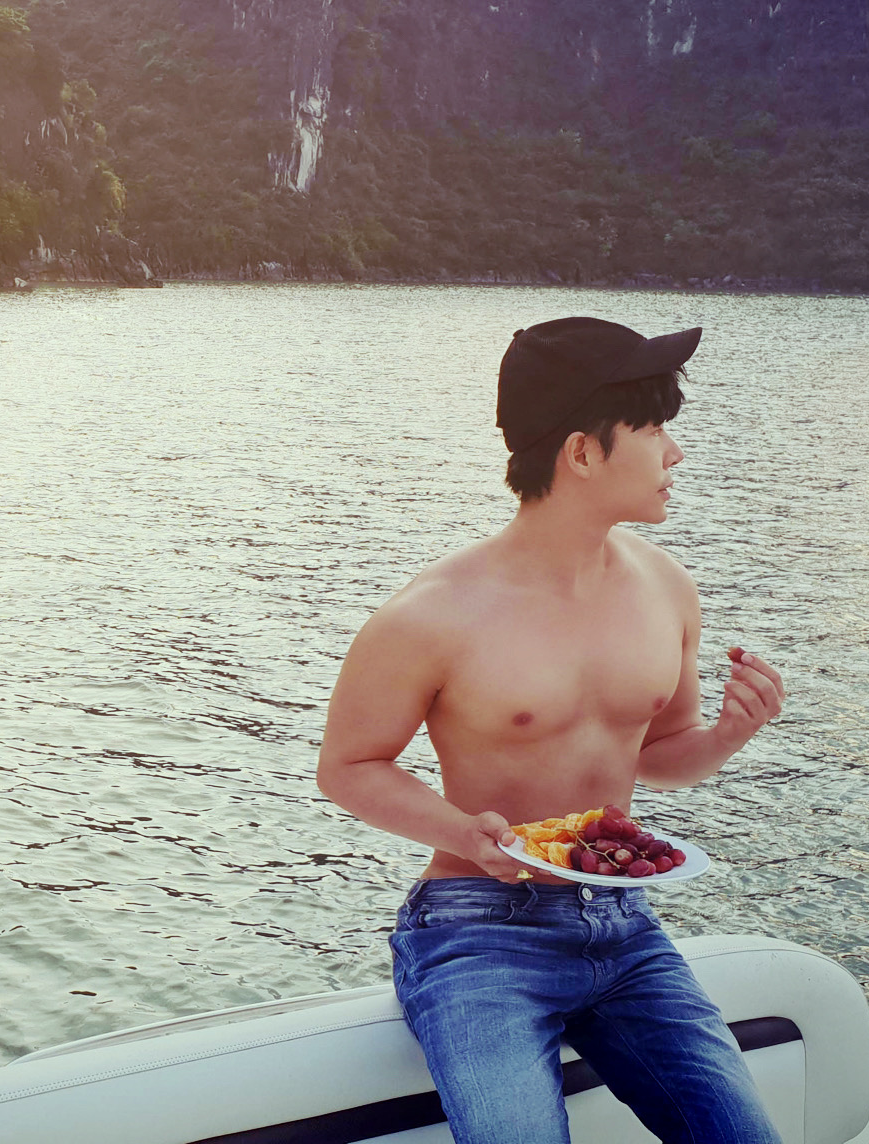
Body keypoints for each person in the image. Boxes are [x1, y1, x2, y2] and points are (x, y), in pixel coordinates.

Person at [316, 317, 787, 1144]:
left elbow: (661, 754)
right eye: (654, 429)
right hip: (475, 930)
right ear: (581, 453)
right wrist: (463, 833)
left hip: (623, 923)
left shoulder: (668, 590)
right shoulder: (433, 614)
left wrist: (728, 734)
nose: (676, 453)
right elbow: (349, 767)